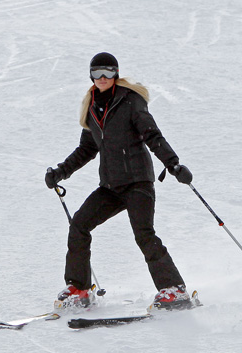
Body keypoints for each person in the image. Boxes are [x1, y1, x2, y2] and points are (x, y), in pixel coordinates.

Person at [45, 52, 193, 310]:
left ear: (116, 74)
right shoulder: (92, 107)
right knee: (79, 225)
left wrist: (173, 164)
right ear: (90, 75)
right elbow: (86, 149)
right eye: (97, 73)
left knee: (144, 234)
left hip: (137, 182)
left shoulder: (131, 101)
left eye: (108, 73)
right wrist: (60, 172)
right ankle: (79, 288)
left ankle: (174, 289)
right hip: (111, 186)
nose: (102, 78)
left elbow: (152, 135)